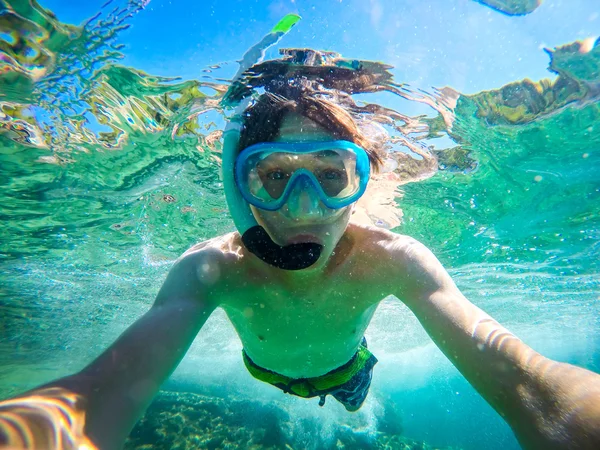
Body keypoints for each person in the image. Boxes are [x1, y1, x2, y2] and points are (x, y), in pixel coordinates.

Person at [1, 53, 600, 450]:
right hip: (264, 373)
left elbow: (526, 381)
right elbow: (99, 392)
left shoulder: (393, 256)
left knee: (352, 401)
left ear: (361, 183)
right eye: (275, 177)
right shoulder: (211, 269)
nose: (304, 209)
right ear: (241, 188)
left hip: (347, 372)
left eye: (331, 176)